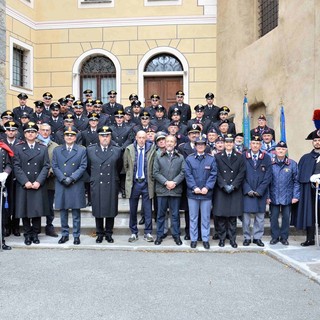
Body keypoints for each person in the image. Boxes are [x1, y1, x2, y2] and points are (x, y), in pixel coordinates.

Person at [13, 122, 50, 246]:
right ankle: (27, 234)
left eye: (33, 131)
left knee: (36, 210)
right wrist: (25, 181)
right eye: (28, 132)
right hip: (25, 183)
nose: (30, 134)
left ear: (37, 133)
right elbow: (16, 167)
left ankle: (35, 233)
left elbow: (46, 166)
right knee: (25, 210)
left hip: (37, 183)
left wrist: (39, 181)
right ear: (24, 134)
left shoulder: (43, 148)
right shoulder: (18, 148)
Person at [52, 126, 87, 245]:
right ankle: (65, 234)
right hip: (62, 183)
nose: (69, 137)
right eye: (67, 135)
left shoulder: (81, 150)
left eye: (72, 135)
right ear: (64, 137)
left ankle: (76, 235)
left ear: (75, 137)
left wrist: (72, 178)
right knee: (63, 211)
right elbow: (55, 166)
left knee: (76, 212)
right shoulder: (57, 150)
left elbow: (83, 166)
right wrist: (62, 178)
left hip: (75, 183)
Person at [87, 126, 122, 243]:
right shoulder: (91, 150)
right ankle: (99, 233)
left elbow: (119, 167)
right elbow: (88, 167)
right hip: (97, 182)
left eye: (107, 135)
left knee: (110, 209)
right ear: (98, 137)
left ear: (110, 136)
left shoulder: (117, 150)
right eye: (102, 135)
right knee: (98, 209)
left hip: (111, 181)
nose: (105, 138)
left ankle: (108, 233)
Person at [213, 134, 246, 248]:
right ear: (224, 144)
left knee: (232, 217)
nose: (228, 144)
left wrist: (233, 185)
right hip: (221, 190)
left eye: (230, 143)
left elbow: (242, 172)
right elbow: (216, 172)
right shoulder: (217, 157)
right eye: (226, 142)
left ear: (233, 144)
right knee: (221, 217)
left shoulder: (239, 156)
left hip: (234, 190)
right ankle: (222, 239)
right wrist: (223, 185)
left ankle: (232, 239)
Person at [185, 136, 217, 249]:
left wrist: (207, 187)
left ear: (205, 146)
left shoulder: (211, 159)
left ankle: (205, 239)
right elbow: (187, 175)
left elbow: (213, 175)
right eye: (198, 144)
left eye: (202, 144)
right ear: (195, 146)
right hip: (193, 193)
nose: (200, 146)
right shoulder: (189, 159)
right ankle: (193, 239)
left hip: (206, 194)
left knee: (205, 218)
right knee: (193, 217)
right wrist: (194, 187)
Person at [123, 130, 156, 242]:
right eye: (139, 137)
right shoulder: (129, 149)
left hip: (147, 183)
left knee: (147, 210)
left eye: (143, 138)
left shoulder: (152, 148)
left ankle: (148, 232)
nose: (141, 140)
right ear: (136, 138)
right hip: (135, 183)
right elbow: (126, 165)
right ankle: (133, 232)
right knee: (133, 209)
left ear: (146, 138)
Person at [153, 135, 185, 246]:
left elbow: (183, 172)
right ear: (165, 144)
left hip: (175, 190)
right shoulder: (158, 156)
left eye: (172, 141)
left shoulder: (180, 157)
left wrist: (174, 182)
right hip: (162, 190)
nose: (170, 143)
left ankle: (176, 235)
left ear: (175, 144)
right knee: (161, 214)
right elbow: (155, 172)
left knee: (175, 215)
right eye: (168, 141)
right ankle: (159, 235)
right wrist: (166, 182)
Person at [268, 141, 299, 245]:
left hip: (288, 196)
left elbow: (296, 181)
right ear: (275, 151)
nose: (280, 151)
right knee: (273, 218)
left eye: (282, 149)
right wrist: (267, 196)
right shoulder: (271, 163)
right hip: (274, 195)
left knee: (286, 218)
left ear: (286, 151)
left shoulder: (292, 164)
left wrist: (296, 196)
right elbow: (267, 181)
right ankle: (275, 237)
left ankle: (284, 237)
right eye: (278, 149)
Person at [242, 135, 272, 247]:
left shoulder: (266, 157)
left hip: (261, 192)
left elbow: (268, 176)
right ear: (250, 144)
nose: (255, 145)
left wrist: (260, 190)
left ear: (261, 145)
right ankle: (246, 237)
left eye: (257, 144)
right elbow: (241, 175)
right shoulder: (243, 156)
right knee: (246, 218)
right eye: (253, 143)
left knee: (260, 217)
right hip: (247, 192)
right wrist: (247, 189)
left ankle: (257, 237)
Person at [293, 129, 320, 246]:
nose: (317, 142)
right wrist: (310, 178)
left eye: (319, 140)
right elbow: (300, 176)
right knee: (310, 214)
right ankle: (310, 238)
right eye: (315, 140)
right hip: (309, 192)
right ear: (312, 142)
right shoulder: (306, 158)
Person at [37, 123, 59, 238]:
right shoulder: (34, 143)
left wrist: (50, 171)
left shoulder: (55, 146)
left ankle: (49, 227)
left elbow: (57, 163)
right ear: (39, 131)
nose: (45, 132)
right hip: (35, 181)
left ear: (50, 132)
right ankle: (35, 227)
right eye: (43, 130)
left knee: (50, 206)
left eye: (47, 130)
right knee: (35, 204)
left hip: (50, 181)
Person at [0, 140, 14, 250]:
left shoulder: (4, 149)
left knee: (1, 215)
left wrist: (6, 173)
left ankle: (1, 241)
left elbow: (9, 163)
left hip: (1, 184)